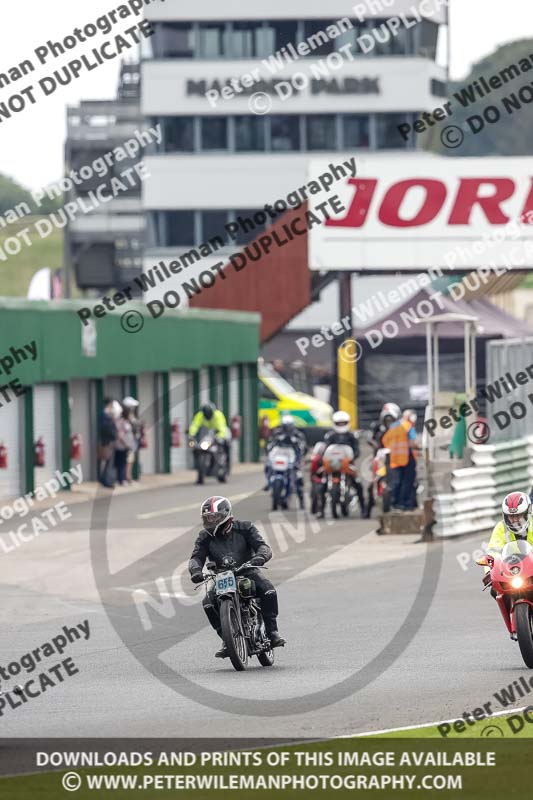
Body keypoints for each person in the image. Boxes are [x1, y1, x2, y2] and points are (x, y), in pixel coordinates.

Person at [189, 496, 286, 658]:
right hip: (222, 576)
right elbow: (196, 557)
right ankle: (227, 641)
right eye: (207, 518)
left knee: (268, 590)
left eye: (214, 517)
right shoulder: (204, 537)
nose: (211, 521)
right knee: (207, 603)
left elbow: (263, 546)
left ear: (226, 515)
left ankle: (272, 632)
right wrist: (195, 571)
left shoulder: (245, 528)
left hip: (247, 571)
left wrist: (259, 557)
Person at [484, 493, 533, 612]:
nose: (515, 519)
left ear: (527, 513)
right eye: (512, 516)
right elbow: (492, 551)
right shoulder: (501, 528)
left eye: (519, 515)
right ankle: (512, 615)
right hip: (511, 570)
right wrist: (489, 572)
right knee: (494, 590)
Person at [314, 410, 365, 517]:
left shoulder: (351, 436)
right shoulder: (330, 436)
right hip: (331, 465)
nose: (341, 425)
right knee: (321, 486)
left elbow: (357, 451)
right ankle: (321, 510)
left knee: (358, 484)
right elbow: (325, 449)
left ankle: (364, 509)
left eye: (343, 423)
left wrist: (351, 457)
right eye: (339, 423)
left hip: (347, 465)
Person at [264, 414, 307, 498]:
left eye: (289, 426)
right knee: (268, 465)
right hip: (280, 455)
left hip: (292, 456)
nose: (287, 428)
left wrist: (300, 448)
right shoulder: (277, 433)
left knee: (298, 473)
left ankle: (299, 490)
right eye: (285, 426)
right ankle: (269, 482)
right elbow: (270, 443)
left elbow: (303, 446)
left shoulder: (297, 434)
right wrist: (269, 447)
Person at [382, 408, 415, 512]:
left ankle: (394, 502)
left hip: (394, 458)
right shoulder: (408, 426)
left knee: (396, 481)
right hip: (406, 457)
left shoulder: (393, 427)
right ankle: (404, 504)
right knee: (407, 481)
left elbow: (385, 441)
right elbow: (413, 443)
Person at [189, 402, 230, 483]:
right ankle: (200, 471)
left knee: (224, 443)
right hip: (209, 433)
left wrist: (219, 437)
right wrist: (191, 435)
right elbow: (194, 425)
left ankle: (224, 464)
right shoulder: (200, 415)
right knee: (197, 448)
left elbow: (222, 428)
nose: (207, 416)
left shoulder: (218, 415)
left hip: (220, 432)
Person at [115, 402, 137, 486]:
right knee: (121, 463)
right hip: (121, 446)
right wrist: (126, 444)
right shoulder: (121, 422)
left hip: (127, 445)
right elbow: (120, 435)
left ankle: (124, 478)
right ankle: (121, 479)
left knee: (125, 462)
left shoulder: (128, 421)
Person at [97, 398, 118, 488]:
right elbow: (106, 429)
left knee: (108, 461)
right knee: (105, 461)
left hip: (108, 441)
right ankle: (104, 480)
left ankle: (106, 479)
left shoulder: (107, 415)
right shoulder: (104, 416)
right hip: (106, 442)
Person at [122, 396, 141, 483]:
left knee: (131, 459)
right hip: (127, 442)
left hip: (132, 440)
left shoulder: (132, 416)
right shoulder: (125, 417)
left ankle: (128, 476)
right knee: (127, 460)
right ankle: (126, 477)